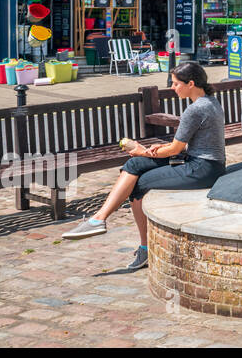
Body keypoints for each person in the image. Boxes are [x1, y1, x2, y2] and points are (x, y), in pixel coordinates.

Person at [61, 62, 228, 270]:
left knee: (139, 185)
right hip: (204, 162)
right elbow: (184, 144)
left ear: (191, 83)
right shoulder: (210, 101)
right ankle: (98, 219)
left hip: (202, 168)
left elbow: (176, 149)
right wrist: (155, 149)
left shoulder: (196, 109)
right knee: (135, 164)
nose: (173, 88)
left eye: (176, 84)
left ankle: (145, 247)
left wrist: (143, 149)